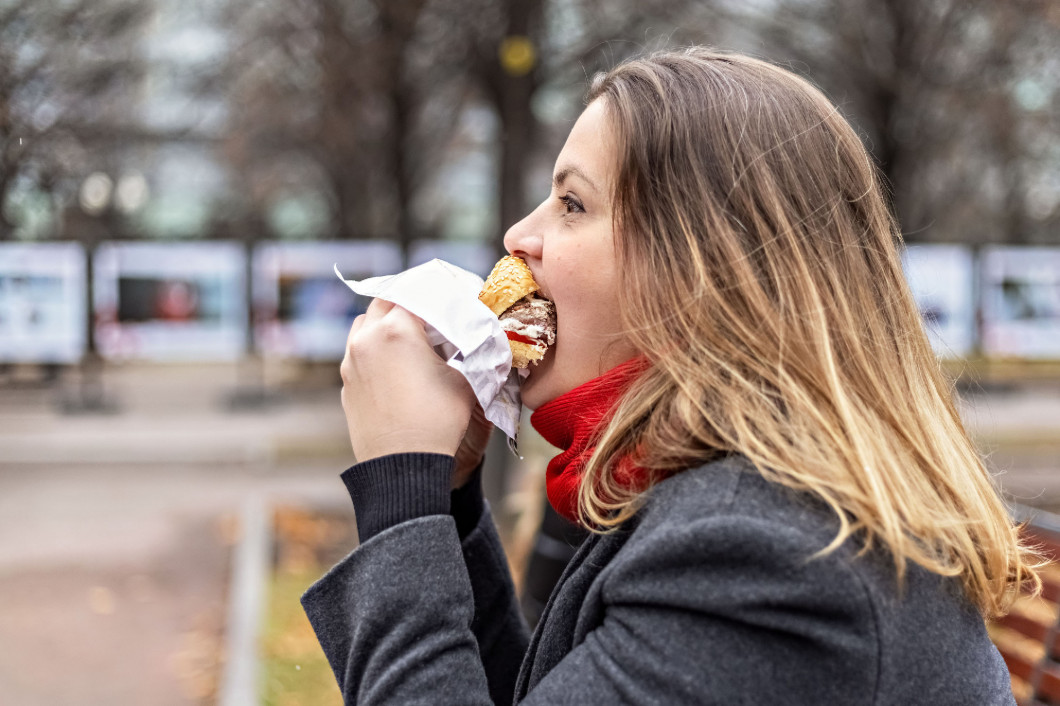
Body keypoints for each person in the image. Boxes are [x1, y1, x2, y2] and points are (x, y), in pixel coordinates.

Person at [302, 47, 1041, 705]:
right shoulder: (730, 496)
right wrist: (448, 497)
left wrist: (401, 487)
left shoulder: (768, 552)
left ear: (703, 271)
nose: (518, 237)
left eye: (571, 203)